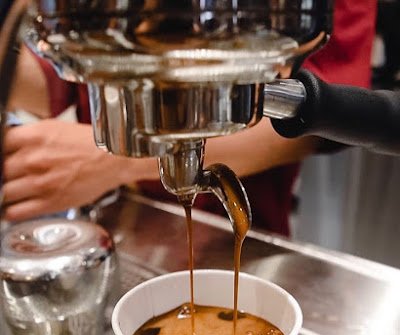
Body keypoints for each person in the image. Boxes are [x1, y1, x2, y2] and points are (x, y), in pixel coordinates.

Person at [3, 0, 377, 236]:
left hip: (231, 230)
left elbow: (328, 116)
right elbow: (66, 75)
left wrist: (117, 159)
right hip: (119, 218)